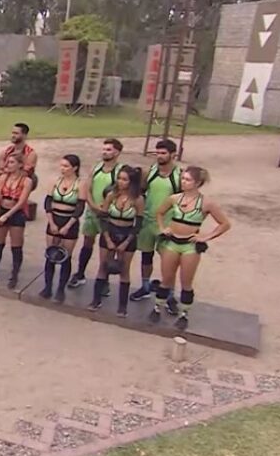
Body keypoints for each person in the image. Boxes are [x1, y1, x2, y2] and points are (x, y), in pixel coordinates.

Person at [151, 167, 232, 330]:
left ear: (197, 183)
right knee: (166, 278)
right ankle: (157, 307)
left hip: (190, 246)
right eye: (182, 178)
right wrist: (163, 228)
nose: (183, 182)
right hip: (172, 242)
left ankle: (184, 314)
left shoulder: (206, 203)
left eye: (188, 180)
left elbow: (225, 224)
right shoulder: (174, 198)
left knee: (186, 281)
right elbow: (159, 213)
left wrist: (205, 237)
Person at [68, 138, 126, 291]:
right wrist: (93, 206)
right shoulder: (97, 167)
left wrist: (106, 208)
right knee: (87, 242)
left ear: (117, 152)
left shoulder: (121, 171)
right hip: (93, 212)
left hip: (109, 215)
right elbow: (87, 188)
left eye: (109, 150)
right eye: (104, 149)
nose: (105, 152)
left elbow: (121, 192)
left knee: (107, 248)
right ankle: (80, 274)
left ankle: (104, 281)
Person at [130, 139, 182, 309]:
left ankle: (170, 294)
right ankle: (145, 286)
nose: (159, 156)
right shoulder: (151, 171)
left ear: (173, 155)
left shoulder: (179, 176)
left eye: (163, 153)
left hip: (167, 225)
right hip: (148, 221)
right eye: (157, 153)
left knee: (169, 261)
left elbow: (184, 201)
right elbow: (141, 191)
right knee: (146, 256)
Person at [88, 167, 145, 316]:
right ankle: (96, 300)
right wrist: (107, 239)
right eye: (119, 178)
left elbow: (138, 224)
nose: (120, 182)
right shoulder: (111, 196)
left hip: (127, 235)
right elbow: (103, 218)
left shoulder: (138, 200)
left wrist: (126, 242)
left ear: (132, 182)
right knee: (103, 267)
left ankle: (122, 306)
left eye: (124, 179)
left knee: (124, 270)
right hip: (110, 232)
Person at [0, 123, 38, 260]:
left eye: (16, 133)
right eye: (12, 132)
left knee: (15, 227)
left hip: (18, 189)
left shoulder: (30, 153)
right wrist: (10, 171)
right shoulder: (6, 151)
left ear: (24, 135)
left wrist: (7, 171)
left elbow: (25, 174)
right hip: (5, 186)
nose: (13, 135)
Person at [39, 155, 85, 302]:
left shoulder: (80, 184)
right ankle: (47, 287)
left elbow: (79, 208)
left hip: (69, 222)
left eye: (66, 166)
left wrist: (68, 226)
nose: (62, 169)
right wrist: (51, 223)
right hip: (55, 219)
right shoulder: (55, 181)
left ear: (75, 168)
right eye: (62, 166)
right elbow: (48, 202)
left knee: (66, 257)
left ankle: (60, 289)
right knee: (51, 255)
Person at [0, 152, 34, 287]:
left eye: (12, 162)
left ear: (20, 165)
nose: (8, 165)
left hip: (16, 212)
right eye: (8, 162)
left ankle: (14, 273)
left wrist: (7, 216)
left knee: (16, 245)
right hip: (2, 208)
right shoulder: (3, 177)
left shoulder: (26, 181)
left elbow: (21, 202)